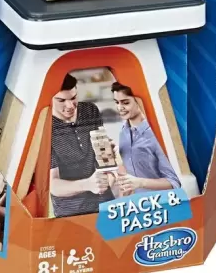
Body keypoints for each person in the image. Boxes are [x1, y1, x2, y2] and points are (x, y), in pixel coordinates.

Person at [49, 74, 115, 217]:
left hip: (106, 203)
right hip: (71, 212)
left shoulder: (90, 110)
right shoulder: (45, 127)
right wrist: (87, 184)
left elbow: (105, 159)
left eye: (73, 98)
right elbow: (52, 184)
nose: (70, 106)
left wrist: (110, 175)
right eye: (61, 100)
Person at [112, 82, 181, 194]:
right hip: (137, 201)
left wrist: (141, 182)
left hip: (162, 201)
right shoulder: (123, 132)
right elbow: (130, 174)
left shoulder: (156, 134)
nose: (120, 107)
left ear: (139, 101)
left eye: (125, 102)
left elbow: (174, 182)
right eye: (116, 102)